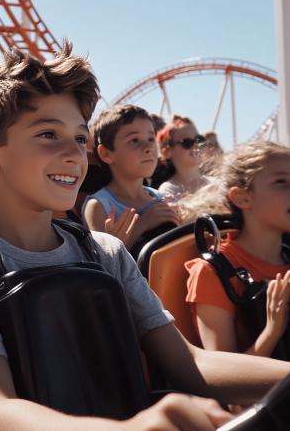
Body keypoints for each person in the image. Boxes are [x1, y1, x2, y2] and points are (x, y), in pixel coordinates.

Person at [0, 42, 290, 431]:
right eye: (48, 134)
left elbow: (191, 364)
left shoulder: (104, 253)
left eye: (78, 137)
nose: (74, 154)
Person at [182, 142, 290, 359]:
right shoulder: (212, 273)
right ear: (242, 197)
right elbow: (225, 379)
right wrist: (272, 330)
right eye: (281, 181)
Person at [83, 104, 179, 250]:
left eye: (151, 139)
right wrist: (142, 225)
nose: (148, 147)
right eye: (134, 140)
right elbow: (104, 263)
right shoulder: (98, 206)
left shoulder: (160, 197)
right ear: (107, 154)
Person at [157, 115, 209, 202]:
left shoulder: (218, 184)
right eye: (187, 142)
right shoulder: (167, 191)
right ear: (167, 152)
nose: (196, 145)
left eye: (199, 140)